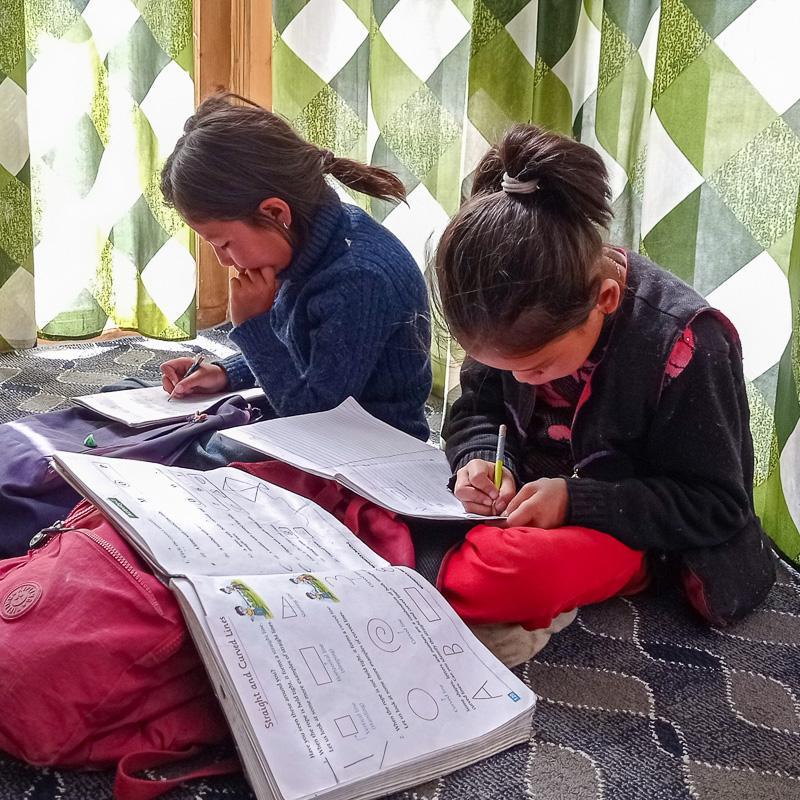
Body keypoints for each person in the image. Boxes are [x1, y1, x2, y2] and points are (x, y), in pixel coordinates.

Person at [432, 124, 775, 665]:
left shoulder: (689, 345)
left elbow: (717, 507)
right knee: (355, 496)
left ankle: (480, 580)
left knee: (505, 572)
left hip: (634, 528)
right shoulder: (504, 313)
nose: (521, 381)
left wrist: (576, 501)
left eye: (536, 367)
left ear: (606, 299)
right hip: (527, 506)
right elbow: (476, 409)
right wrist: (477, 461)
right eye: (502, 367)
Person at [159, 92, 432, 441]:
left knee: (192, 449)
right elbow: (305, 354)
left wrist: (253, 326)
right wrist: (225, 372)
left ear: (275, 213)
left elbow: (312, 416)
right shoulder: (307, 241)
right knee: (147, 415)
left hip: (369, 449)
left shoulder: (358, 279)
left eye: (224, 243)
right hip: (318, 427)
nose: (224, 260)